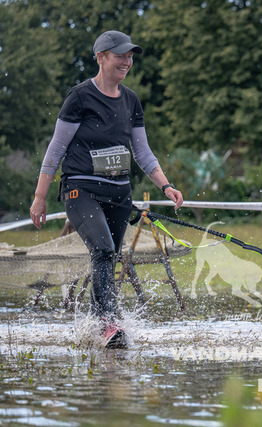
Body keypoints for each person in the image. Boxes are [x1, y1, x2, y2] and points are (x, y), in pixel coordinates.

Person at [29, 30, 183, 349]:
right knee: (101, 249)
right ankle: (107, 323)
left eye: (130, 56)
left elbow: (142, 151)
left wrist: (166, 185)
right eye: (120, 56)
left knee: (109, 256)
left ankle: (99, 326)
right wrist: (40, 196)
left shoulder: (131, 100)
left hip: (119, 194)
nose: (127, 61)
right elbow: (56, 148)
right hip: (81, 190)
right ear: (100, 57)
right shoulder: (80, 97)